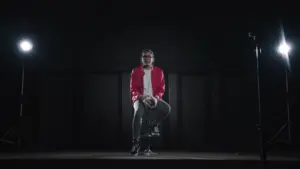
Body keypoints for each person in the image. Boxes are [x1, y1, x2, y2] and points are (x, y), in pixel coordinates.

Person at [130, 49, 171, 156]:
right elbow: (133, 89)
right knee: (138, 112)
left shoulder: (159, 71)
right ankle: (136, 142)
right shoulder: (135, 71)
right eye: (145, 57)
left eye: (149, 56)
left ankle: (153, 125)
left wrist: (156, 98)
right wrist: (142, 98)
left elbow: (161, 89)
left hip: (154, 99)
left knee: (166, 108)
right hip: (140, 99)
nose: (147, 59)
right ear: (141, 59)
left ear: (153, 59)